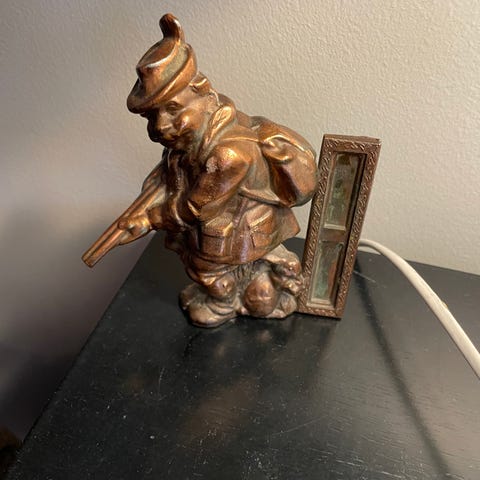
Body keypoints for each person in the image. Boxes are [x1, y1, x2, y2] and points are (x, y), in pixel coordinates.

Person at [119, 14, 317, 327]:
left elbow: (195, 208)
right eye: (151, 117)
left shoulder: (229, 154)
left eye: (173, 109)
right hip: (228, 223)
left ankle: (225, 301)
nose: (161, 126)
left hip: (241, 229)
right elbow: (170, 170)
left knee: (205, 267)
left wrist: (149, 219)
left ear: (204, 95)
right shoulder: (200, 134)